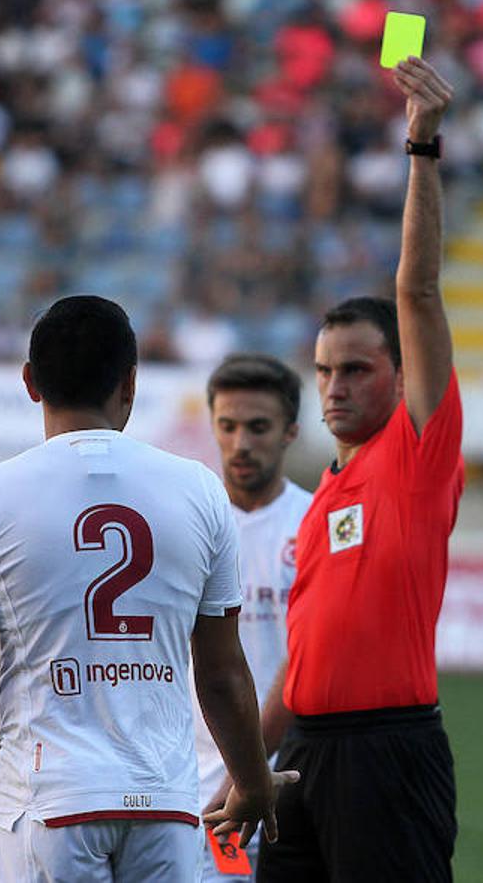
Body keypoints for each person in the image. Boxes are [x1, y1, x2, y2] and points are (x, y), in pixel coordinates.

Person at [0, 296, 295, 883]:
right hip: (165, 804)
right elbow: (223, 673)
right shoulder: (199, 491)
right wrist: (251, 782)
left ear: (29, 383)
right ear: (129, 383)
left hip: (48, 805)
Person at [256, 56, 463, 883]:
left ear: (404, 377)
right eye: (325, 372)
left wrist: (420, 148)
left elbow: (416, 292)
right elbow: (302, 660)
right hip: (302, 753)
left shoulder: (417, 449)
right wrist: (250, 765)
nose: (335, 388)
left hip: (388, 749)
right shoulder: (324, 496)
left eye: (357, 370)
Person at [194, 354, 312, 881]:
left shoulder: (315, 525)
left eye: (258, 427)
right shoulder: (188, 525)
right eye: (228, 426)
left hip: (296, 777)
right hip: (196, 783)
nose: (241, 442)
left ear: (290, 432)